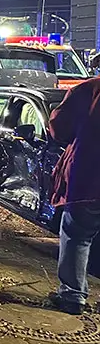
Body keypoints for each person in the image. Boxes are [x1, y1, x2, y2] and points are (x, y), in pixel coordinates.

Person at [48, 77, 100, 315]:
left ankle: (72, 295)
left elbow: (60, 127)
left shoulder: (89, 89)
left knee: (77, 235)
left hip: (89, 178)